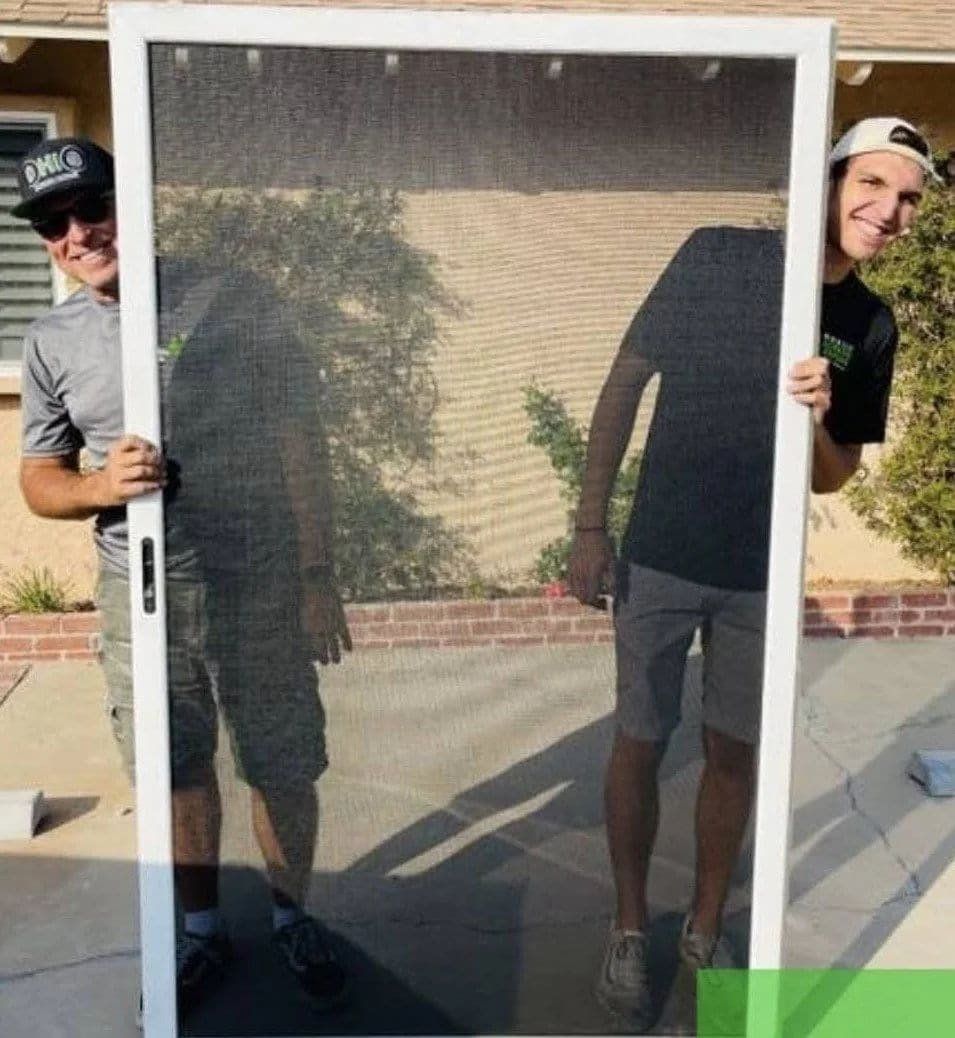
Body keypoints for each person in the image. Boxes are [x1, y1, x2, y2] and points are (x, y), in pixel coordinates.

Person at [565, 117, 937, 1024]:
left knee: (733, 753)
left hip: (760, 573)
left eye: (908, 200)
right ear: (830, 181)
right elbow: (626, 381)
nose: (887, 212)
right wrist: (587, 526)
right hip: (659, 553)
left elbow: (837, 470)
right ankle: (624, 928)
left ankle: (699, 931)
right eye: (870, 186)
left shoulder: (868, 323)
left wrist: (818, 415)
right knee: (640, 740)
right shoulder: (720, 257)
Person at [15, 137, 353, 1021]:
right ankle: (200, 932)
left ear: (134, 206)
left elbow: (298, 439)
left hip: (261, 577)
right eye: (55, 224)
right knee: (173, 765)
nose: (78, 233)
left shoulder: (232, 297)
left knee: (281, 761)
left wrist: (318, 574)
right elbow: (39, 479)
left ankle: (291, 916)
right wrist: (98, 487)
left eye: (93, 210)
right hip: (143, 590)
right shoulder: (52, 339)